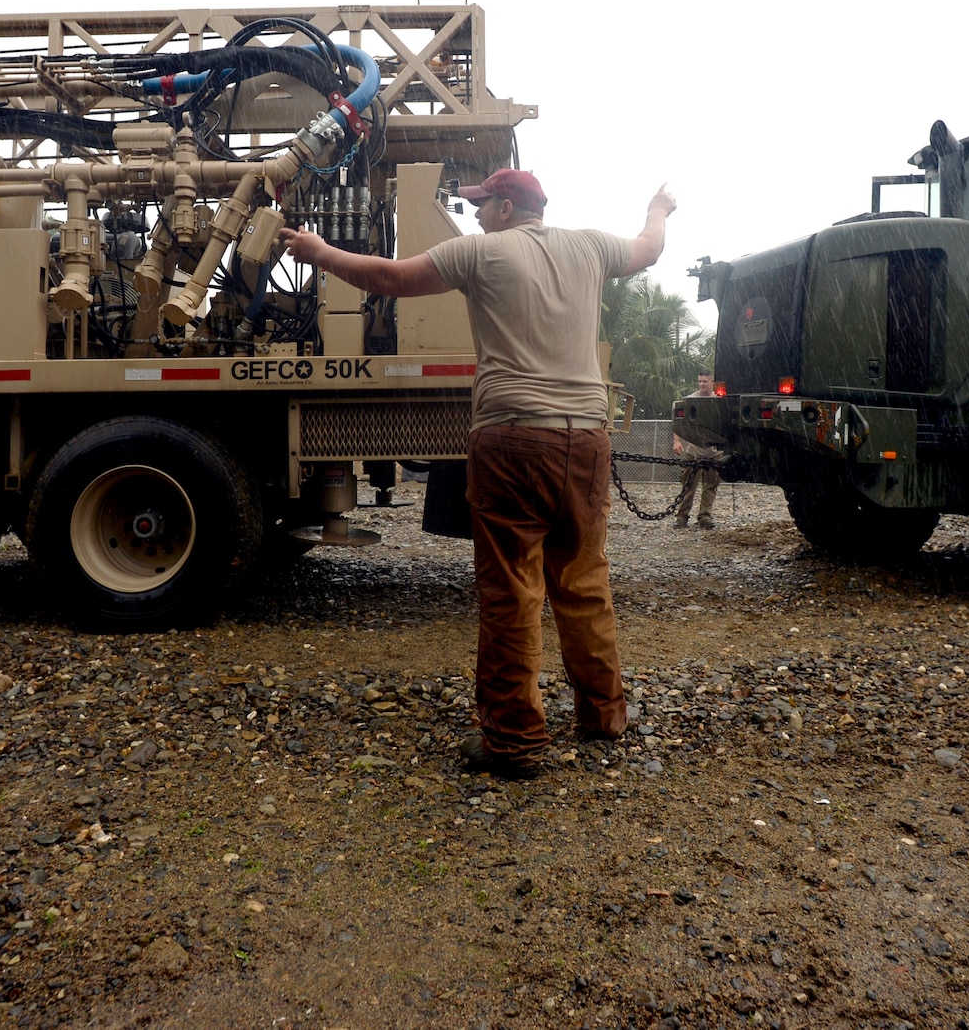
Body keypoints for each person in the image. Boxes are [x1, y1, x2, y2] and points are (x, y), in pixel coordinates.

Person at [280, 168, 674, 779]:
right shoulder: (591, 246)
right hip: (587, 441)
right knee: (584, 581)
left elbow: (389, 278)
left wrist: (319, 251)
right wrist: (658, 209)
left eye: (482, 203)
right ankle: (604, 715)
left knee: (512, 592)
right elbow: (649, 248)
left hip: (513, 438)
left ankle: (514, 742)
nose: (476, 213)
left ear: (506, 205)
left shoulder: (483, 252)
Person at [671, 372, 721, 530]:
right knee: (688, 486)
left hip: (716, 451)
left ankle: (705, 516)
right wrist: (677, 442)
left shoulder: (720, 400)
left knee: (711, 486)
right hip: (694, 450)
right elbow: (678, 422)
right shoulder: (691, 400)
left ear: (712, 382)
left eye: (705, 381)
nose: (701, 384)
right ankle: (682, 516)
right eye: (699, 381)